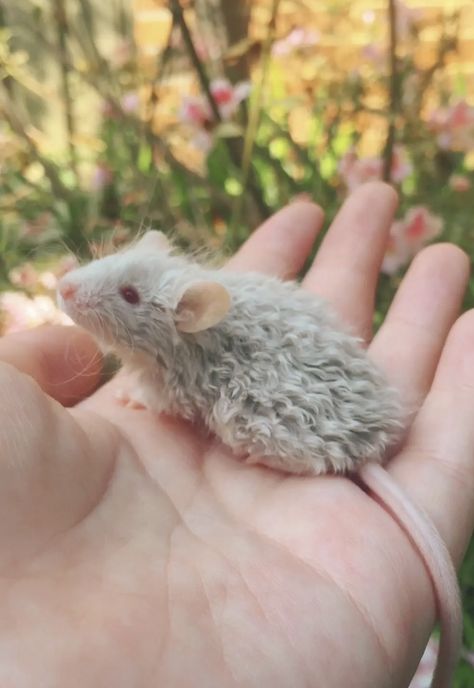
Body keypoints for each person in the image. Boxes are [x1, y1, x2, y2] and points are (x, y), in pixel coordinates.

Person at [0, 181, 472, 687]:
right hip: (358, 409)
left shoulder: (181, 342)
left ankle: (308, 456)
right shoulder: (181, 318)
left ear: (189, 313)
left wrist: (150, 394)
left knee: (240, 409)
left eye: (130, 295)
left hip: (314, 429)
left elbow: (181, 394)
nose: (74, 289)